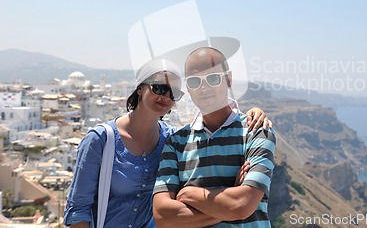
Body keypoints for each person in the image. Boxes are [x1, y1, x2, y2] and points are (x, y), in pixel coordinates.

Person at [63, 58, 270, 228]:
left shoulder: (172, 140)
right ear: (140, 88)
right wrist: (228, 209)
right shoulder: (100, 141)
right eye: (159, 88)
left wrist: (254, 113)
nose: (166, 97)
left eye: (174, 93)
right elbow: (78, 211)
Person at [153, 47, 276, 228]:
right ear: (188, 87)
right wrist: (228, 202)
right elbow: (163, 216)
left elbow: (242, 205)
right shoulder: (176, 143)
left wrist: (189, 194)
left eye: (212, 78)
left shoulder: (256, 131)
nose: (204, 88)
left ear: (228, 79)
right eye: (195, 82)